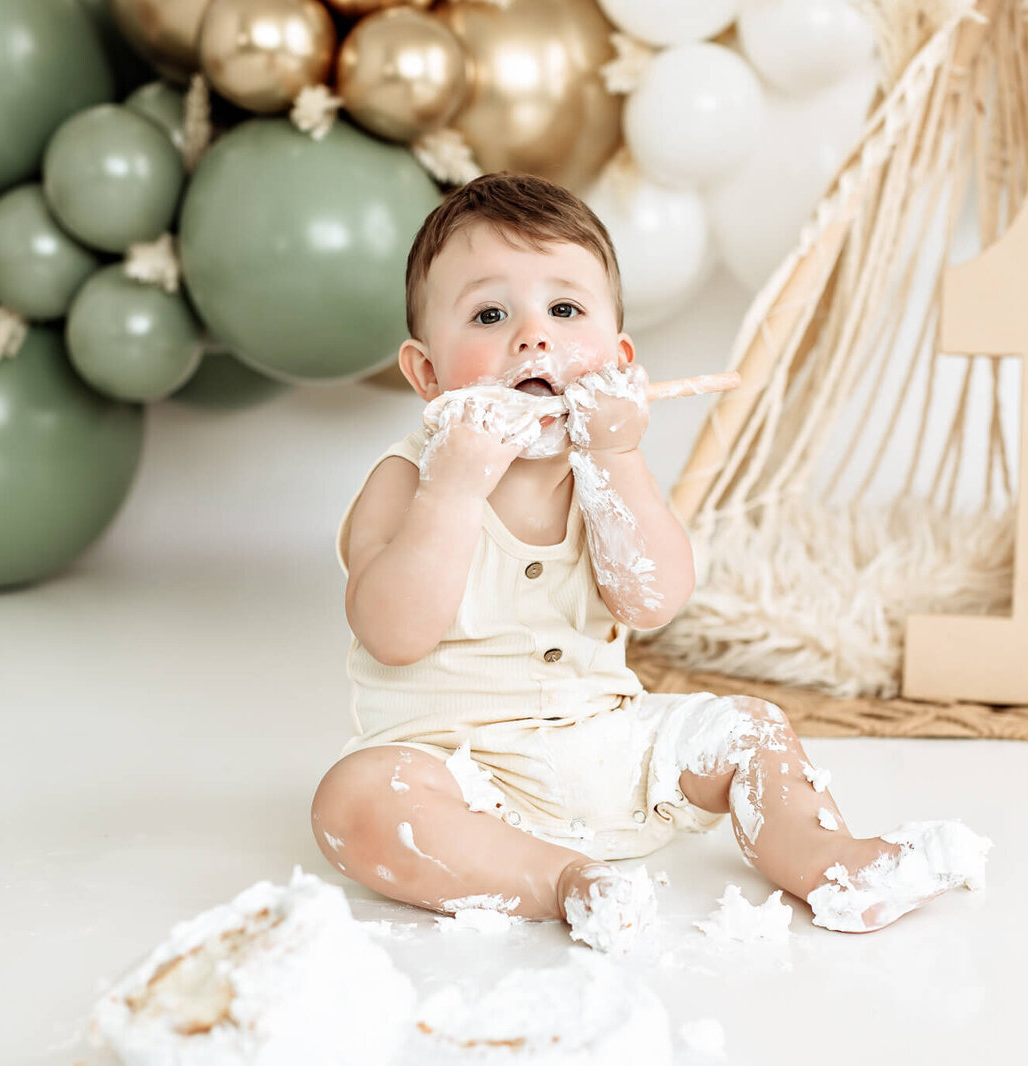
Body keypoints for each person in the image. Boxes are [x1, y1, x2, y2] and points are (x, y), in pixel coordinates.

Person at [310, 173, 989, 950]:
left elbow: (653, 600)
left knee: (750, 726)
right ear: (427, 374)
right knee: (354, 801)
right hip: (459, 776)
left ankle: (829, 860)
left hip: (607, 747)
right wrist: (454, 489)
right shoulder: (408, 481)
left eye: (566, 310)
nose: (534, 337)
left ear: (621, 363)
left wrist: (618, 456)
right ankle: (564, 881)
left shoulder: (604, 468)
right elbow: (393, 632)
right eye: (490, 314)